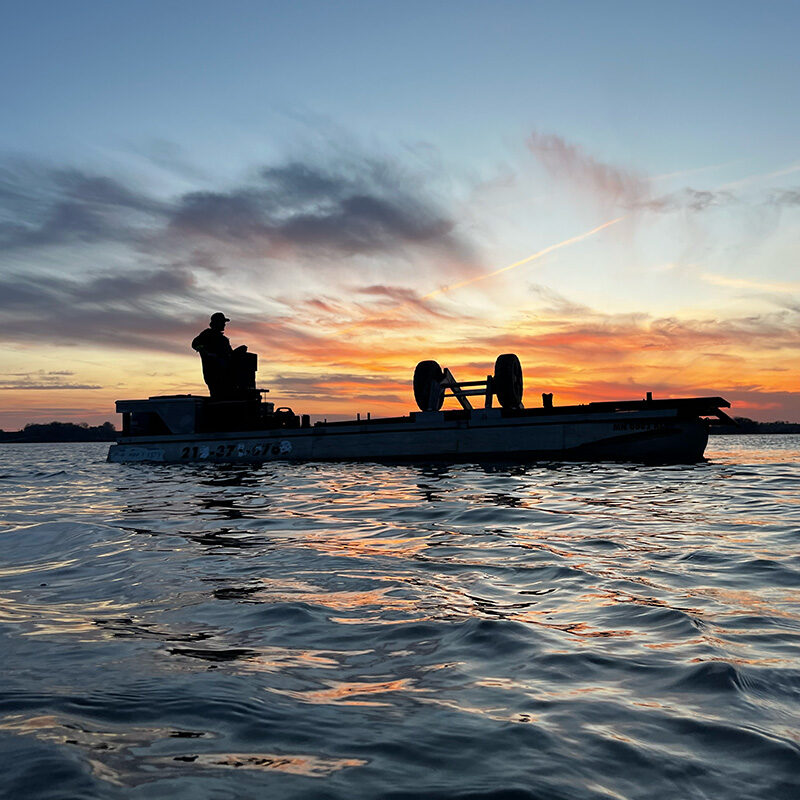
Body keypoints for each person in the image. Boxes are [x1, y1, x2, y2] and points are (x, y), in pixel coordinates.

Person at [192, 312, 238, 399]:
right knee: (218, 398)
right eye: (222, 322)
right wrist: (205, 353)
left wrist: (238, 352)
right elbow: (195, 344)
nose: (224, 324)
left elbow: (230, 355)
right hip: (213, 374)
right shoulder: (207, 334)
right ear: (216, 323)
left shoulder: (224, 340)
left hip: (226, 376)